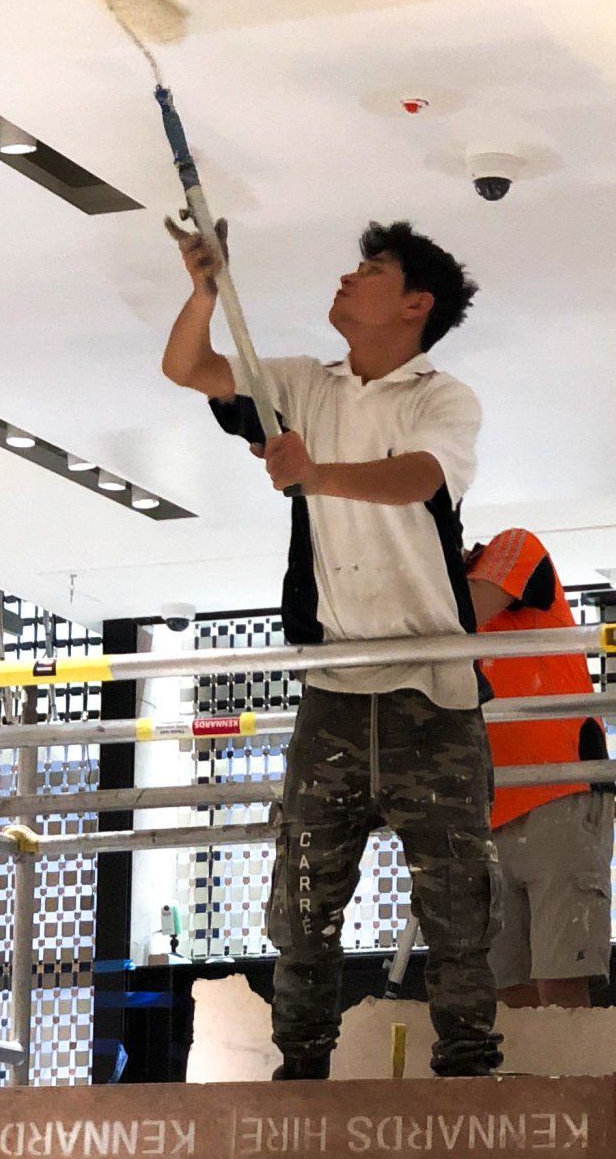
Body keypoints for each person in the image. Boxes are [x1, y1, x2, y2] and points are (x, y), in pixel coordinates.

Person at [162, 218, 501, 1080]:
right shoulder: (303, 385)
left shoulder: (441, 398)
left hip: (434, 691)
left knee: (457, 900)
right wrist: (206, 291)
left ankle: (467, 1070)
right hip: (335, 687)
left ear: (415, 303)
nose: (348, 278)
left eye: (371, 269)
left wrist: (314, 474)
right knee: (303, 900)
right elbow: (190, 369)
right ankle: (299, 1069)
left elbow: (421, 479)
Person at [464, 530, 612, 1009]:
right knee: (506, 990)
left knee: (561, 978)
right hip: (488, 809)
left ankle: (574, 1085)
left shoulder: (513, 547)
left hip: (559, 794)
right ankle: (528, 1086)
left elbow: (464, 613)